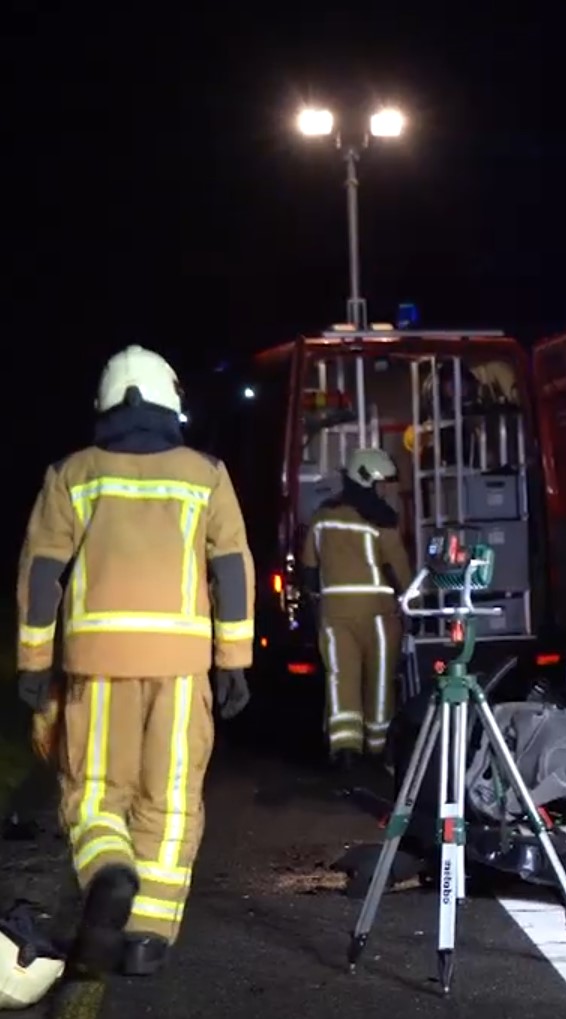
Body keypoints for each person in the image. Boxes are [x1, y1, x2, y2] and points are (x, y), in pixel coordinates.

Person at [14, 344, 254, 979]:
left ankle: (107, 868)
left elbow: (42, 575)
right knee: (171, 799)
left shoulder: (73, 474)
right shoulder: (206, 474)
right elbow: (231, 568)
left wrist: (35, 663)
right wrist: (232, 659)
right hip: (181, 667)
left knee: (94, 791)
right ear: (171, 400)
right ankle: (147, 936)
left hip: (96, 664)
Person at [299, 446, 412, 770]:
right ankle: (378, 748)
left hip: (334, 616)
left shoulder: (322, 517)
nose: (386, 490)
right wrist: (417, 607)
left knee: (341, 679)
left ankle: (345, 748)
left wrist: (314, 602)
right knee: (379, 681)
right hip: (378, 616)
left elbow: (309, 568)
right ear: (367, 480)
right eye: (382, 483)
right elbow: (401, 571)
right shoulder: (382, 521)